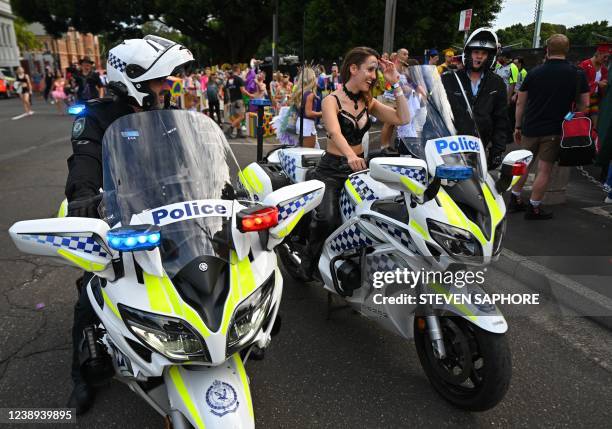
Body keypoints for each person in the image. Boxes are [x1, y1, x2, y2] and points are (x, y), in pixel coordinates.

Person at [64, 35, 194, 414]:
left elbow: (190, 159)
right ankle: (82, 374)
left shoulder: (167, 114)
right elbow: (84, 162)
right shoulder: (95, 116)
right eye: (160, 80)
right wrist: (82, 198)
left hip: (169, 208)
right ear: (133, 79)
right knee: (93, 288)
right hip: (117, 213)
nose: (167, 86)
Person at [296, 47, 410, 280]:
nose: (373, 75)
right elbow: (335, 133)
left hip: (360, 169)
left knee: (377, 214)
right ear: (353, 69)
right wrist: (350, 155)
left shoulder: (369, 101)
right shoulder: (332, 100)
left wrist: (395, 83)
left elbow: (402, 118)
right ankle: (308, 264)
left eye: (376, 70)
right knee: (327, 219)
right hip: (331, 170)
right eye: (370, 69)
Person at [510, 34, 589, 219]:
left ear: (547, 49)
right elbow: (584, 105)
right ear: (567, 50)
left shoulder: (534, 72)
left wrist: (518, 126)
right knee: (544, 170)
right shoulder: (576, 74)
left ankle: (514, 198)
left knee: (523, 165)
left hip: (530, 126)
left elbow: (520, 103)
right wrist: (568, 117)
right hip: (555, 129)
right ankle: (534, 207)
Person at [441, 28, 509, 170]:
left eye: (483, 53)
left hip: (478, 148)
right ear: (469, 53)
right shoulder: (449, 79)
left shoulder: (497, 83)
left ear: (490, 57)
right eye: (476, 52)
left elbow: (500, 119)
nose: (479, 56)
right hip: (449, 146)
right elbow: (436, 110)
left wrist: (497, 151)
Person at [380, 47, 410, 149]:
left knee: (393, 123)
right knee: (388, 123)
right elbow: (386, 86)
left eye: (407, 54)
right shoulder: (393, 67)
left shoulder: (405, 69)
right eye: (404, 54)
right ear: (398, 56)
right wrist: (396, 87)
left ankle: (388, 145)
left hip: (398, 99)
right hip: (390, 98)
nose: (406, 56)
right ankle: (383, 146)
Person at [579, 43, 609, 129]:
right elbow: (580, 82)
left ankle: (593, 140)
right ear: (598, 53)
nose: (606, 59)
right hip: (584, 98)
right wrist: (597, 83)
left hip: (595, 98)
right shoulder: (584, 64)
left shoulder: (603, 69)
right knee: (582, 121)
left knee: (595, 124)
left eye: (608, 57)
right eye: (604, 57)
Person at [292, 66, 322, 148]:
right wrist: (322, 113)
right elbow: (308, 113)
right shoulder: (310, 94)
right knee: (309, 154)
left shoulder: (300, 93)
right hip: (307, 125)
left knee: (310, 151)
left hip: (301, 122)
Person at [225, 64, 255, 138]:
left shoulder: (229, 79)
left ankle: (239, 132)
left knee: (237, 117)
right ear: (238, 70)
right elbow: (243, 91)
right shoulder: (239, 79)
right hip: (238, 100)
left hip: (232, 100)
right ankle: (230, 129)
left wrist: (228, 101)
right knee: (241, 116)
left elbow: (227, 90)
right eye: (239, 70)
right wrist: (250, 95)